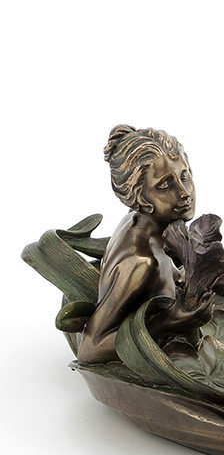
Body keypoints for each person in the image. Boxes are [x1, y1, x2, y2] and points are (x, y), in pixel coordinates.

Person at [77, 125, 213, 363]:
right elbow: (90, 349)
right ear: (139, 196)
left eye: (184, 176)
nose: (184, 193)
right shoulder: (141, 263)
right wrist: (169, 322)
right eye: (165, 185)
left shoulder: (143, 223)